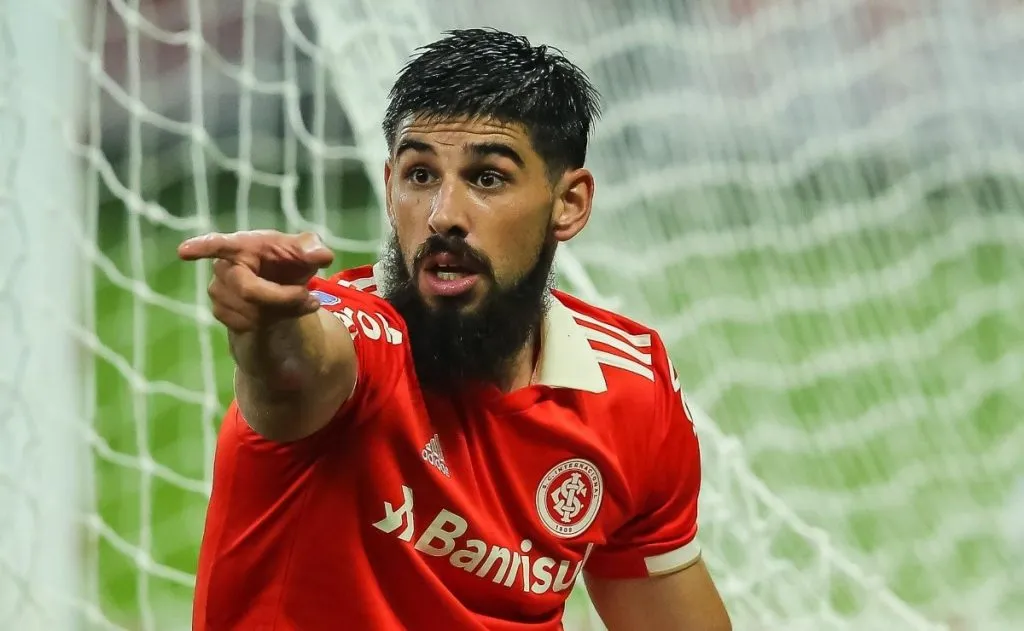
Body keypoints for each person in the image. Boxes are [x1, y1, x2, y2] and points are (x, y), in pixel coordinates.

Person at [181, 28, 731, 631]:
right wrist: (273, 319)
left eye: (487, 178)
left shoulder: (630, 390)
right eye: (420, 175)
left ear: (568, 203)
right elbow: (297, 369)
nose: (444, 214)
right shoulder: (359, 334)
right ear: (390, 188)